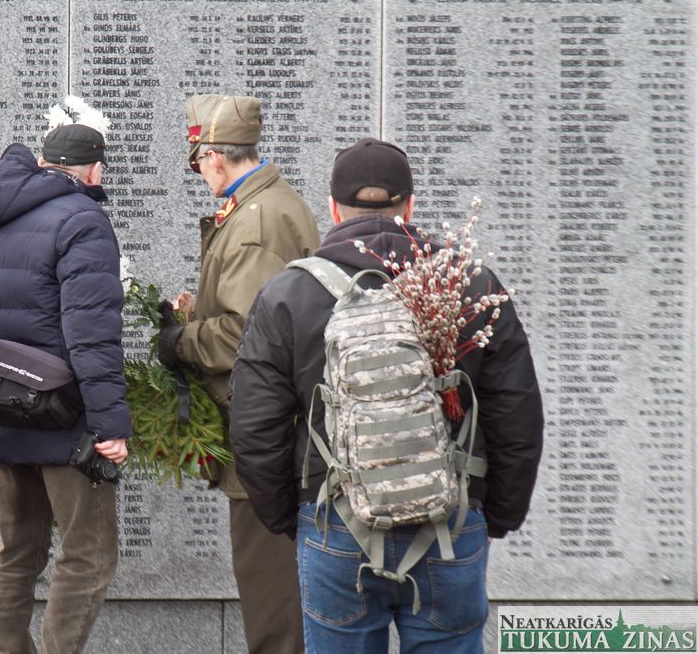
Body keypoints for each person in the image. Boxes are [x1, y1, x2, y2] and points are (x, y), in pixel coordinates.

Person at [229, 138, 545, 652]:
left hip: (334, 523)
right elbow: (517, 414)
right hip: (451, 522)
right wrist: (498, 514)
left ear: (333, 209)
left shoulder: (286, 295)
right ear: (410, 206)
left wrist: (295, 518)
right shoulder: (471, 284)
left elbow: (253, 426)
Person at [156, 94, 320, 653]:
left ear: (215, 158)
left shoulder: (255, 221)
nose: (201, 173)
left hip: (266, 435)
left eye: (199, 162)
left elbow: (248, 334)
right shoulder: (265, 206)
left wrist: (181, 342)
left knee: (271, 599)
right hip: (277, 427)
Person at [0, 108, 131, 654]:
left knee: (18, 552)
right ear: (94, 171)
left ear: (44, 163)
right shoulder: (83, 220)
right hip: (65, 419)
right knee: (88, 555)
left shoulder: (0, 218)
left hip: (6, 406)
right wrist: (109, 425)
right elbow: (91, 335)